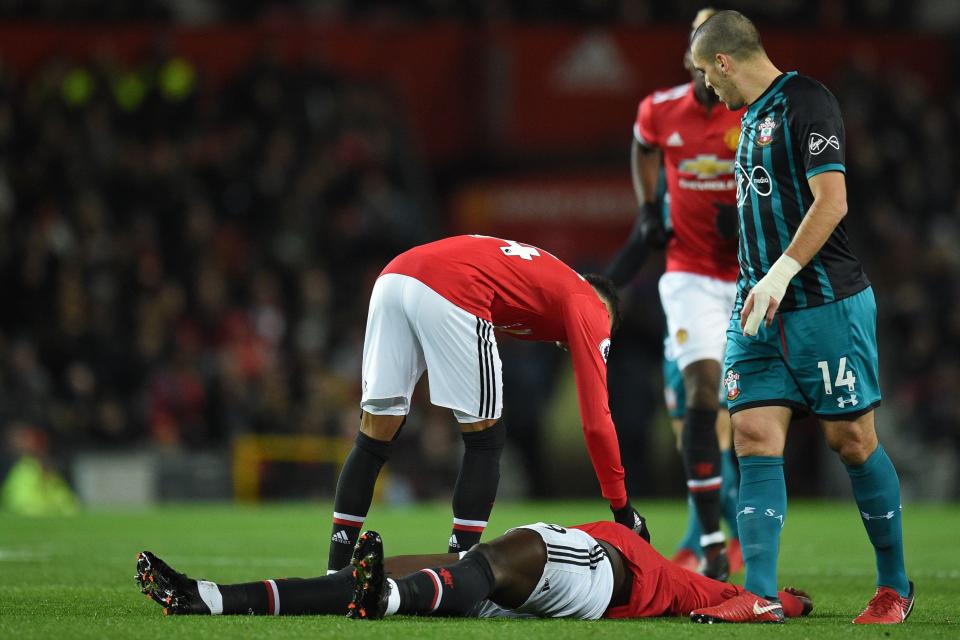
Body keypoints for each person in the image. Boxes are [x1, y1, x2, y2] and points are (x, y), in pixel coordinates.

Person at [687, 10, 913, 624]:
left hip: (823, 304)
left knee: (853, 440)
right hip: (756, 309)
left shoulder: (806, 102)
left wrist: (781, 272)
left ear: (726, 62)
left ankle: (895, 585)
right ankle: (760, 593)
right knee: (754, 437)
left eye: (708, 74)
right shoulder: (751, 117)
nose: (709, 88)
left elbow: (831, 201)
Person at [326, 235, 649, 574]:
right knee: (486, 439)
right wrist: (622, 508)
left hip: (394, 277)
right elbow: (596, 421)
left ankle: (334, 574)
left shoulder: (549, 279)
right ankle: (458, 574)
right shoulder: (592, 305)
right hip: (452, 287)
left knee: (375, 435)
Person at [606, 7, 743, 579]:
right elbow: (641, 146)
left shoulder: (753, 112)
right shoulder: (660, 111)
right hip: (687, 280)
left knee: (738, 422)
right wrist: (645, 207)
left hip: (750, 279)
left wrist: (753, 216)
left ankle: (725, 536)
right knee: (696, 409)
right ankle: (709, 537)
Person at [134, 524, 813, 621]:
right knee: (418, 565)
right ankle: (213, 597)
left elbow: (782, 603)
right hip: (554, 589)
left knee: (511, 550)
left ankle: (391, 597)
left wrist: (732, 604)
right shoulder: (655, 548)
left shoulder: (688, 576)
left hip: (604, 578)